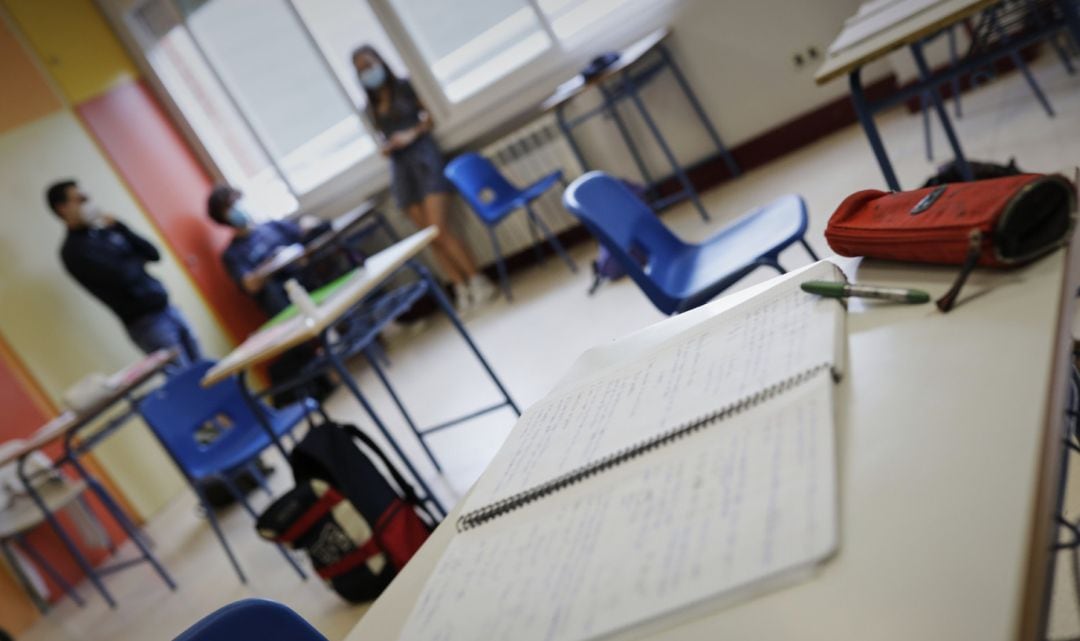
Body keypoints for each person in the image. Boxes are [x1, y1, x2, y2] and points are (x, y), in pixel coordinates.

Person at [351, 44, 497, 313]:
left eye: (369, 65)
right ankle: (459, 288)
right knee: (429, 239)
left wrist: (411, 134)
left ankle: (478, 280)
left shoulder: (404, 87)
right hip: (401, 170)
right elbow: (381, 139)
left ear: (379, 61)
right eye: (360, 70)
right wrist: (388, 146)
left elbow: (429, 117)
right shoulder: (369, 108)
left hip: (424, 159)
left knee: (440, 231)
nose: (367, 72)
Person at [48, 180, 202, 368]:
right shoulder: (74, 251)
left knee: (206, 367)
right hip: (148, 325)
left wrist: (120, 227)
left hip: (167, 308)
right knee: (187, 380)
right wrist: (135, 259)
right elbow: (123, 277)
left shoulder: (105, 232)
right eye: (80, 199)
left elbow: (153, 254)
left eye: (87, 197)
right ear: (62, 208)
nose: (87, 202)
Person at [206, 185, 324, 316]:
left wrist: (308, 224)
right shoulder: (233, 254)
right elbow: (250, 284)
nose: (237, 207)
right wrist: (274, 261)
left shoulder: (272, 226)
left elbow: (302, 230)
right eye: (230, 207)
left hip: (307, 277)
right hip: (284, 297)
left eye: (236, 201)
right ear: (223, 217)